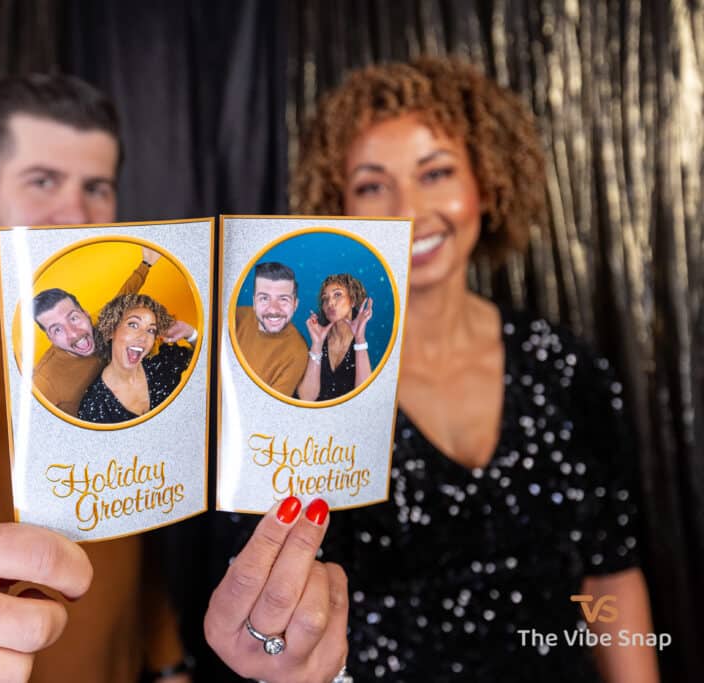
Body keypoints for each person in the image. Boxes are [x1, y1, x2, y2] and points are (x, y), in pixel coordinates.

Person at [0, 73, 349, 683]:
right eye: (43, 181)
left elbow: (124, 520)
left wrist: (165, 661)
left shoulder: (120, 336)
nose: (75, 213)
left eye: (96, 188)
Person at [286, 56, 658, 681]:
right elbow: (287, 614)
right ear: (338, 208)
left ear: (487, 184)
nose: (409, 208)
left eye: (437, 173)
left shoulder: (565, 368)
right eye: (374, 185)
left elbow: (611, 574)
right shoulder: (310, 391)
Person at [30, 246, 170, 417]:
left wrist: (146, 263)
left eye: (74, 318)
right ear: (50, 337)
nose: (74, 333)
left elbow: (123, 296)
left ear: (86, 314)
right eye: (57, 329)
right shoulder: (43, 383)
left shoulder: (99, 324)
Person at [78, 293, 195, 423]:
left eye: (150, 330)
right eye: (133, 325)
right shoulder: (94, 406)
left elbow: (209, 362)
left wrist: (191, 333)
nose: (143, 337)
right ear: (111, 330)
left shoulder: (162, 363)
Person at [234, 261, 309, 397]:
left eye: (283, 299)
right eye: (264, 298)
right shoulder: (235, 317)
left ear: (295, 304)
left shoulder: (297, 351)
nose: (273, 309)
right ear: (254, 302)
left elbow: (268, 408)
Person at [296, 273, 374, 401]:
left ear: (353, 300)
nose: (330, 303)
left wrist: (360, 339)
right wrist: (317, 345)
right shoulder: (320, 338)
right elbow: (306, 397)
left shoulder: (362, 342)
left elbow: (365, 399)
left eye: (337, 295)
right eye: (325, 298)